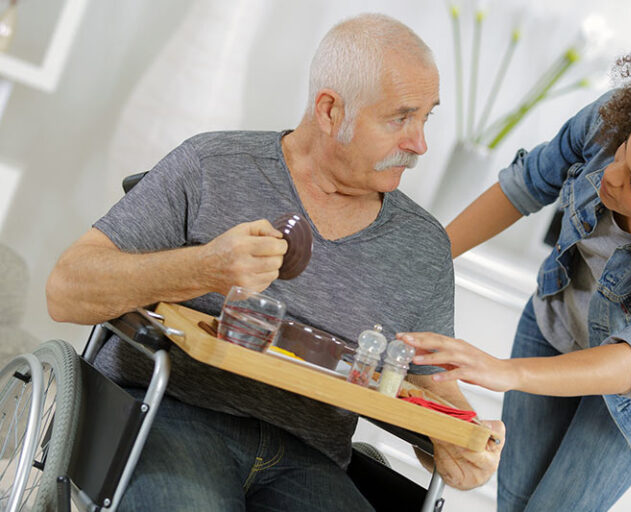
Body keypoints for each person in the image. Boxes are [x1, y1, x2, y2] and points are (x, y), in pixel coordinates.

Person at [46, 13, 503, 511]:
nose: (420, 143)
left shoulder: (423, 249)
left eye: (426, 117)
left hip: (310, 456)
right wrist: (202, 268)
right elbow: (65, 290)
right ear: (330, 110)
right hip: (170, 412)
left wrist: (462, 443)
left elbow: (433, 391)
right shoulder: (212, 167)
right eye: (400, 118)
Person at [397, 34, 631, 511]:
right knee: (514, 502)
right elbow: (525, 185)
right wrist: (421, 259)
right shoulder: (612, 117)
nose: (610, 177)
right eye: (624, 151)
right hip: (555, 326)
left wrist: (504, 372)